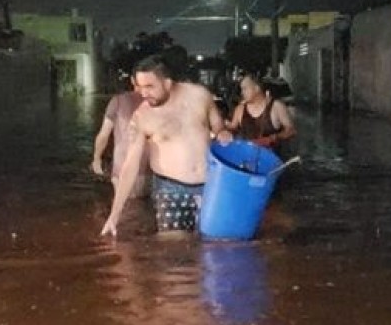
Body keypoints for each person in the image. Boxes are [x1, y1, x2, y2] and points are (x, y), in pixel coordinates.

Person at [100, 55, 233, 237]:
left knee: (216, 245)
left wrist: (222, 133)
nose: (144, 93)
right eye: (140, 86)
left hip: (210, 184)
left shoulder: (200, 95)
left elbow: (217, 125)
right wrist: (114, 215)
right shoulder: (141, 117)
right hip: (170, 190)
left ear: (168, 83)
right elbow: (130, 166)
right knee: (174, 253)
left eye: (150, 87)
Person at [90, 76, 149, 198]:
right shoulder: (159, 101)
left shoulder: (118, 101)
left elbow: (103, 134)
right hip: (153, 170)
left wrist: (97, 158)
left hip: (123, 168)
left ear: (133, 80)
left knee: (124, 210)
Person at [226, 73, 296, 150]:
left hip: (271, 158)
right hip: (246, 157)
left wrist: (273, 138)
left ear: (257, 88)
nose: (242, 93)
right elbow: (232, 128)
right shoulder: (240, 109)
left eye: (245, 88)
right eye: (242, 89)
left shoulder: (276, 106)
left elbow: (291, 130)